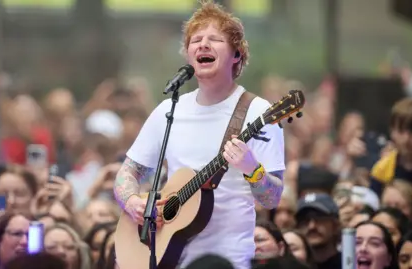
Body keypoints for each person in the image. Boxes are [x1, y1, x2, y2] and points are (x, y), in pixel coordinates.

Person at [113, 1, 285, 268]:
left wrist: (251, 168)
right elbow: (128, 172)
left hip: (230, 258)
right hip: (164, 255)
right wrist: (132, 201)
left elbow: (272, 198)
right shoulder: (170, 109)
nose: (203, 45)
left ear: (237, 55)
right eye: (196, 40)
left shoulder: (258, 112)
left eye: (214, 39)